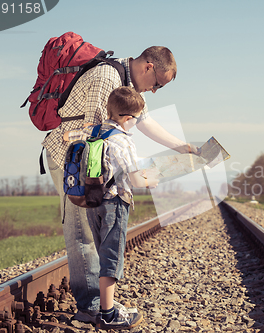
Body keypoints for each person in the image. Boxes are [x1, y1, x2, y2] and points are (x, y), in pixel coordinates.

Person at [43, 46, 196, 323]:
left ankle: (101, 303)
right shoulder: (107, 78)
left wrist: (182, 147)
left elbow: (144, 122)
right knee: (83, 234)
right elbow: (92, 132)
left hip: (94, 164)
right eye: (158, 84)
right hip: (75, 161)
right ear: (149, 67)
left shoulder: (128, 86)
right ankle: (93, 307)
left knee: (94, 232)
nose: (154, 91)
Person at [64, 86, 156, 330]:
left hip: (94, 201)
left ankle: (108, 305)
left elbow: (69, 137)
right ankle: (107, 313)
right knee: (111, 256)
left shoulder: (95, 131)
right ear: (128, 118)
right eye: (135, 119)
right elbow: (136, 180)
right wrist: (153, 179)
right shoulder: (123, 141)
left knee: (101, 250)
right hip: (115, 203)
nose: (135, 123)